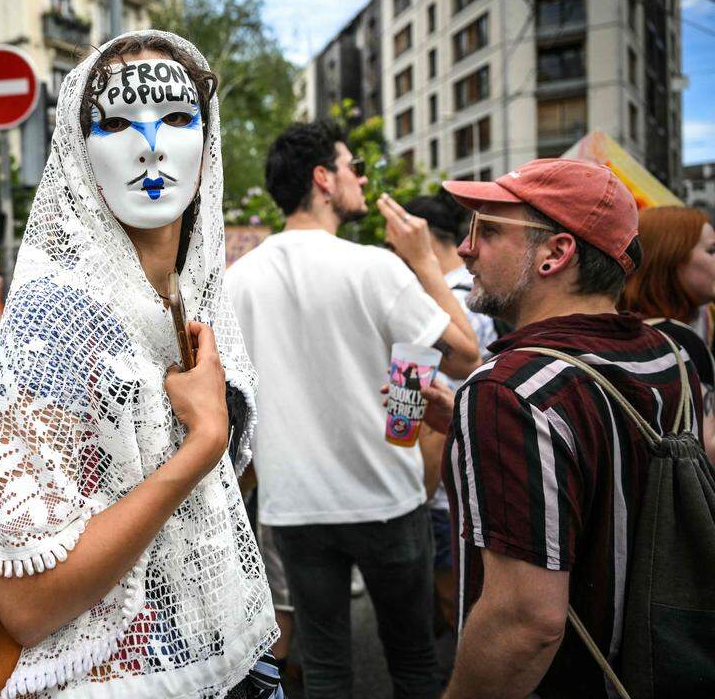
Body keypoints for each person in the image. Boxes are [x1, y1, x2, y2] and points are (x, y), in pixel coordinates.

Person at [0, 31, 280, 698]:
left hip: (224, 655)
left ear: (207, 145)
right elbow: (28, 606)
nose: (149, 145)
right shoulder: (58, 319)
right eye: (118, 122)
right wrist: (202, 443)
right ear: (79, 151)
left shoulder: (200, 294)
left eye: (178, 119)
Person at [425, 159, 699, 698]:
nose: (465, 248)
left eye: (489, 228)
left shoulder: (510, 390)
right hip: (665, 662)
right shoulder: (671, 352)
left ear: (556, 253)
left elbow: (525, 622)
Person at [226, 120, 480, 699]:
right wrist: (422, 261)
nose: (363, 181)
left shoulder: (238, 281)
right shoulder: (375, 267)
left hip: (293, 506)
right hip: (385, 496)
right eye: (354, 168)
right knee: (415, 663)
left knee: (325, 670)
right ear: (323, 179)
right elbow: (465, 356)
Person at [403, 192, 501, 643]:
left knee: (452, 600)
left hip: (439, 490)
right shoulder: (479, 296)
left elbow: (408, 404)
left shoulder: (435, 308)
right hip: (468, 481)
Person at [619, 206, 715, 465]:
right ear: (671, 259)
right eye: (711, 251)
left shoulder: (629, 333)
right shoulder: (678, 341)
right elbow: (709, 446)